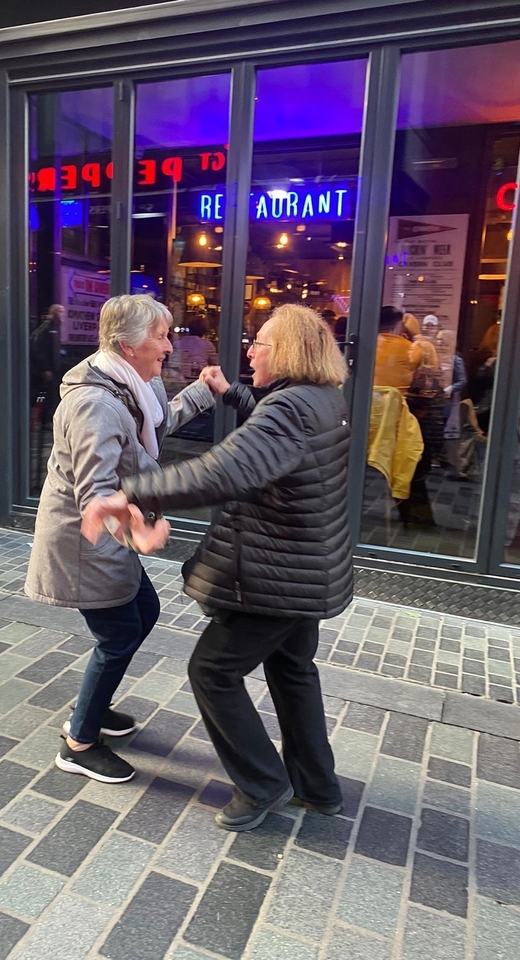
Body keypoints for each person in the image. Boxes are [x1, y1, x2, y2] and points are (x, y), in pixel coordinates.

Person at [83, 304, 353, 831]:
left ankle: (262, 783)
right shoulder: (320, 399)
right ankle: (319, 787)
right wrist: (232, 393)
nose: (250, 349)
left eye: (261, 343)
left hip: (276, 576)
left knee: (213, 672)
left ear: (291, 352)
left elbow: (223, 469)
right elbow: (274, 430)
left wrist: (130, 492)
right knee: (294, 671)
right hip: (307, 569)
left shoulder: (290, 411)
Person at [24, 294, 216, 784]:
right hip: (85, 545)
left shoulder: (122, 383)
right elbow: (95, 494)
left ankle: (92, 706)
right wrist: (139, 531)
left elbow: (153, 425)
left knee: (142, 614)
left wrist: (201, 391)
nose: (169, 346)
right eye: (161, 336)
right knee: (120, 633)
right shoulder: (95, 403)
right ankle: (80, 742)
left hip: (108, 543)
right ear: (130, 345)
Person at [373, 305, 420, 396]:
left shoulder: (366, 345)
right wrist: (416, 335)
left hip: (366, 405)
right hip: (396, 407)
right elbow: (416, 376)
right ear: (399, 324)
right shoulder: (412, 348)